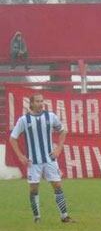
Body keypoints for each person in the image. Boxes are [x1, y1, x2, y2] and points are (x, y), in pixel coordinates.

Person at [8, 93, 75, 223]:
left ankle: (64, 216)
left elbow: (63, 131)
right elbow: (12, 138)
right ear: (31, 103)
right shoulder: (24, 120)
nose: (41, 103)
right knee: (33, 188)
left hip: (49, 159)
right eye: (38, 101)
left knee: (57, 185)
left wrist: (59, 148)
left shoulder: (50, 116)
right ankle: (37, 218)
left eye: (42, 101)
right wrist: (21, 156)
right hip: (33, 161)